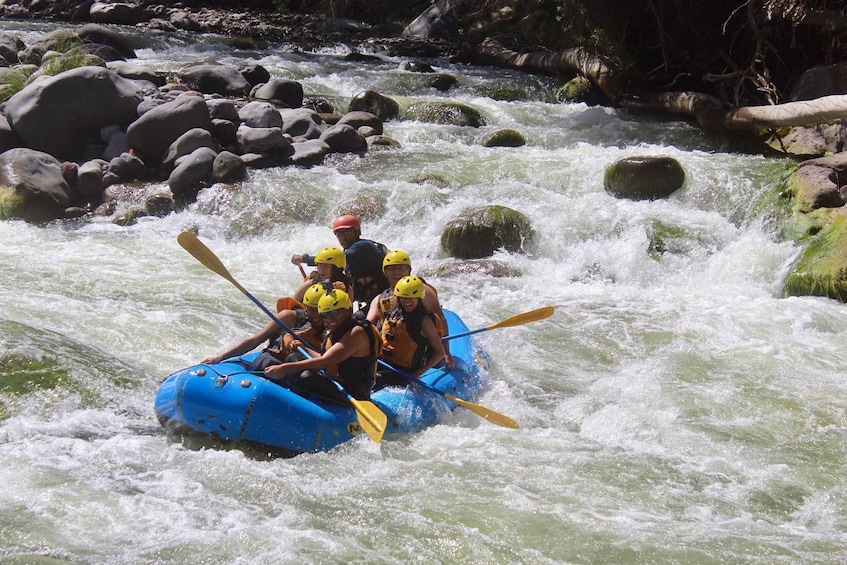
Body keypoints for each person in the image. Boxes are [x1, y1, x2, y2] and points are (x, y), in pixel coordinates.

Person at [265, 289, 382, 404]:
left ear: (347, 311)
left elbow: (325, 362)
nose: (329, 319)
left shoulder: (356, 333)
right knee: (294, 357)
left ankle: (294, 407)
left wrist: (284, 368)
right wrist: (304, 349)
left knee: (306, 377)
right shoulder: (337, 329)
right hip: (335, 381)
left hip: (353, 394)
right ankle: (291, 399)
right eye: (325, 315)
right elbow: (325, 357)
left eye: (334, 313)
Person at [201, 283, 328, 372]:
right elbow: (256, 339)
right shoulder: (289, 317)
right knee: (266, 363)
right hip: (273, 360)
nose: (315, 315)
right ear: (305, 308)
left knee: (296, 364)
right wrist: (219, 358)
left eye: (319, 310)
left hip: (299, 365)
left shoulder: (332, 325)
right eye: (311, 309)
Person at [367, 249, 453, 368]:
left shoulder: (424, 292)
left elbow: (441, 319)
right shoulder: (379, 299)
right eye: (392, 268)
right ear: (385, 272)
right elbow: (368, 326)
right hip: (391, 355)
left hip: (418, 352)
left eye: (401, 268)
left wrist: (446, 351)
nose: (397, 272)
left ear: (409, 271)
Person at [291, 214, 388, 308]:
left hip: (384, 298)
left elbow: (334, 259)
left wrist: (304, 259)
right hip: (371, 300)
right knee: (316, 277)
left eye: (347, 233)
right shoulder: (350, 253)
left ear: (357, 232)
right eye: (339, 234)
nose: (343, 237)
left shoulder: (363, 246)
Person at [373, 276, 445, 390]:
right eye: (403, 298)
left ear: (419, 298)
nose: (407, 301)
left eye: (412, 298)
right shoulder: (392, 314)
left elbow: (440, 352)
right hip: (386, 364)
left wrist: (418, 373)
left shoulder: (424, 321)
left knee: (375, 379)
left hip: (407, 372)